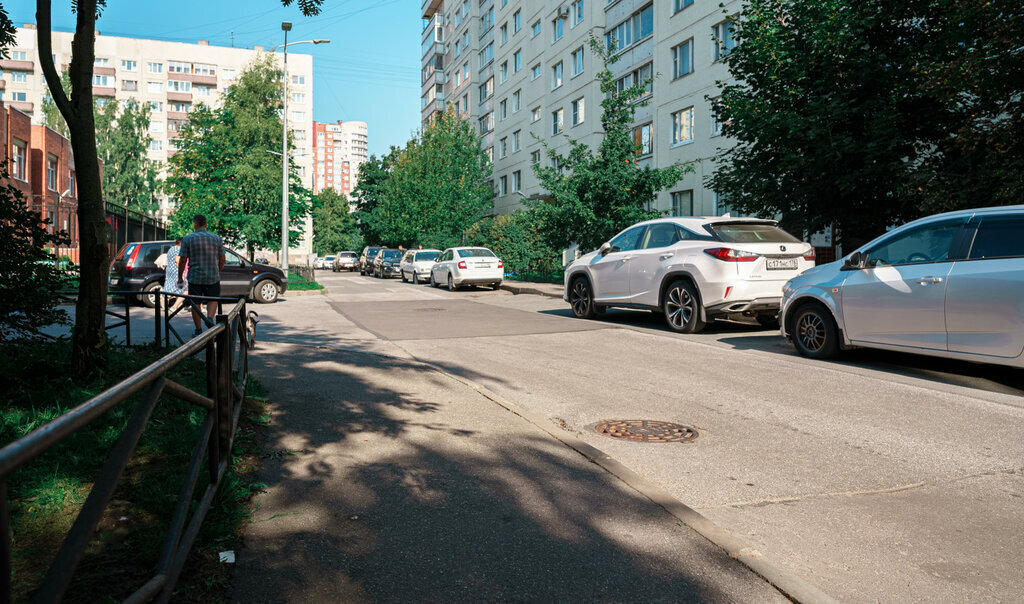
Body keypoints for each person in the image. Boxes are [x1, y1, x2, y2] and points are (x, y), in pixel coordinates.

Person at [177, 214, 226, 337]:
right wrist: (217, 271)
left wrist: (180, 277)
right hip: (212, 276)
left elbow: (182, 260)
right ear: (206, 224)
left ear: (194, 224)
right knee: (213, 299)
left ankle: (198, 330)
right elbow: (222, 259)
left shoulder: (187, 239)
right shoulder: (216, 239)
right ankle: (209, 319)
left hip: (195, 276)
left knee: (195, 302)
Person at [163, 237, 187, 311]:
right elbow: (177, 260)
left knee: (172, 287)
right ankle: (174, 305)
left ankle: (169, 303)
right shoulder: (178, 249)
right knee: (183, 288)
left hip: (170, 270)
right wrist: (182, 271)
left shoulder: (171, 249)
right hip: (176, 271)